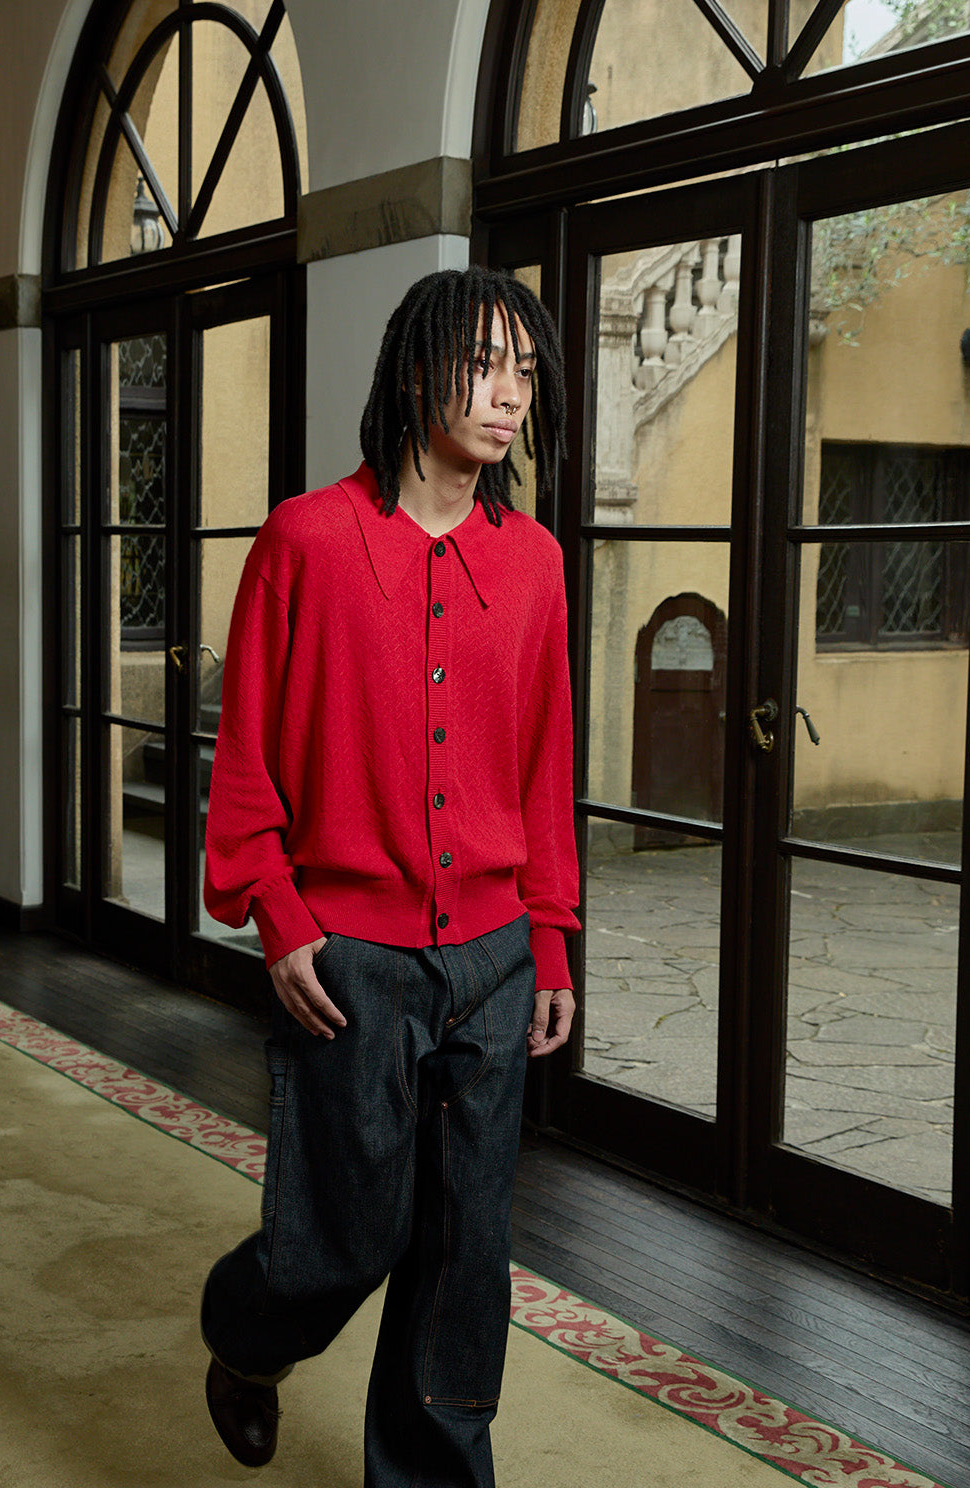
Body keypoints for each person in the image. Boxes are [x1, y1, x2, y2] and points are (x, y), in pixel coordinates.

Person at [199, 264, 580, 1488]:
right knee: (341, 1238)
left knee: (463, 1255)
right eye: (481, 364)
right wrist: (277, 915)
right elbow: (247, 757)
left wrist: (550, 937)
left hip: (493, 960)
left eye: (523, 371)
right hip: (348, 963)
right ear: (416, 374)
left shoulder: (534, 564)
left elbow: (544, 766)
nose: (508, 394)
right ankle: (245, 1338)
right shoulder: (305, 541)